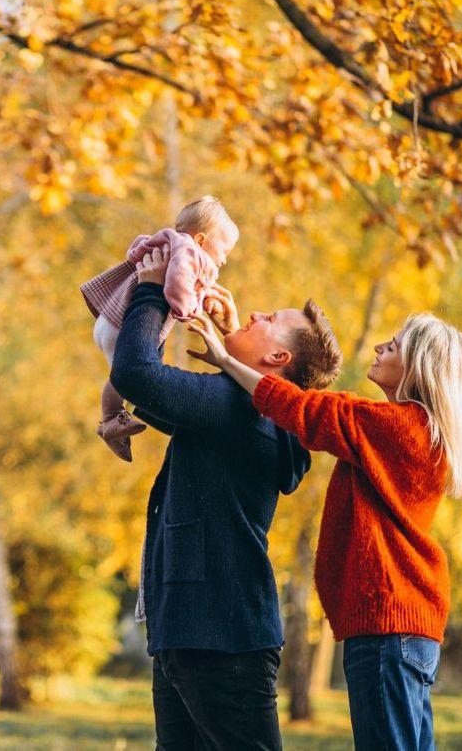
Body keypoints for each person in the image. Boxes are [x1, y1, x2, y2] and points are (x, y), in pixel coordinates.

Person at [187, 288, 462, 751]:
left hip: (388, 624)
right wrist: (235, 339)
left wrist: (226, 357)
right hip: (408, 627)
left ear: (419, 367)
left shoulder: (394, 426)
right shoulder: (415, 431)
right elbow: (293, 399)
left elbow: (302, 408)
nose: (382, 347)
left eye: (395, 344)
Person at [110, 245, 343, 750]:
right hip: (198, 630)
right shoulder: (248, 412)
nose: (254, 312)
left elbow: (135, 375)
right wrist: (233, 349)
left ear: (278, 358)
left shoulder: (238, 410)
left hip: (217, 633)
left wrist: (152, 291)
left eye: (269, 320)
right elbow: (163, 400)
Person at [81, 195, 239, 462]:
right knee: (126, 376)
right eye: (224, 250)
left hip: (110, 321)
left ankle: (113, 418)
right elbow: (178, 281)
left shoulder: (169, 244)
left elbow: (140, 253)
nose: (224, 259)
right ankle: (110, 421)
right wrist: (186, 308)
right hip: (122, 326)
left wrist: (203, 295)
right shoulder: (189, 251)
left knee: (127, 374)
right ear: (201, 240)